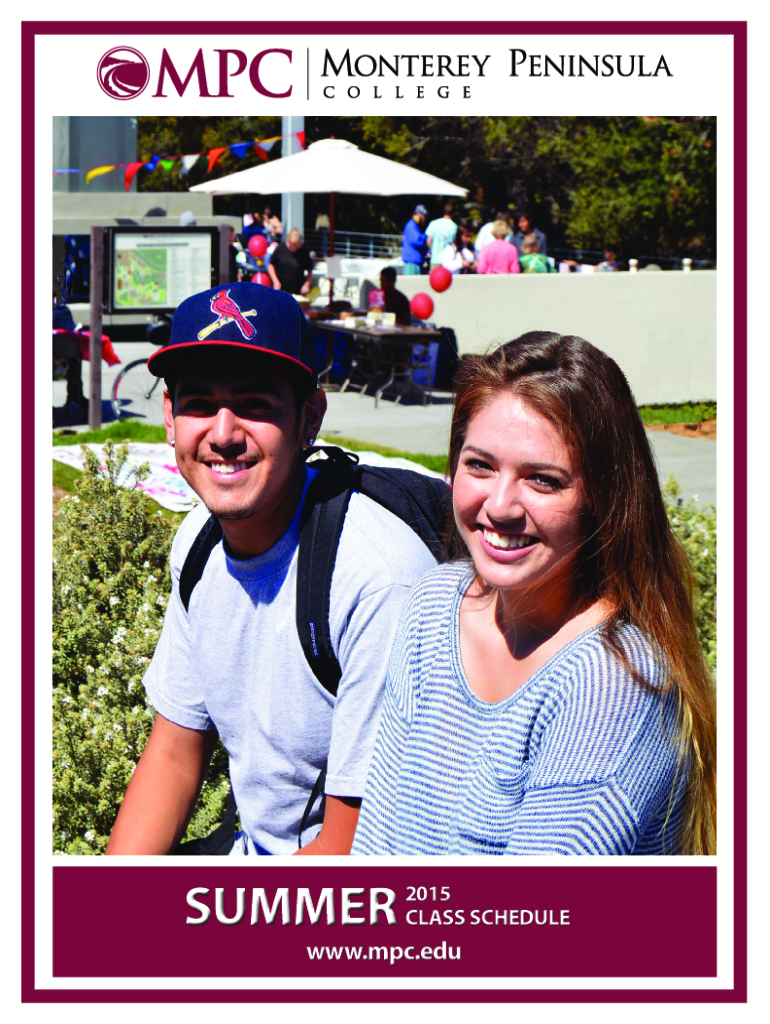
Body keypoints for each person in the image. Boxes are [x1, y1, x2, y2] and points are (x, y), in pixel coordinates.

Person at [352, 332, 716, 856]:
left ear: (603, 500)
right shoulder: (433, 605)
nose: (499, 506)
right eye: (480, 465)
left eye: (542, 480)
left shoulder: (611, 686)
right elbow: (375, 844)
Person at [105, 282, 437, 856]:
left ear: (310, 417)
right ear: (169, 417)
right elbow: (174, 753)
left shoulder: (375, 579)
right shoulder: (199, 541)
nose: (223, 433)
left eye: (256, 404)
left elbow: (353, 850)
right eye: (199, 403)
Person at [267, 228, 314, 295]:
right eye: (291, 244)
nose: (293, 247)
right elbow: (270, 265)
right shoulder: (280, 248)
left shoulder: (303, 251)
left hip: (297, 290)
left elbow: (310, 269)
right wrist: (275, 281)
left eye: (296, 245)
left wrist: (306, 284)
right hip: (280, 289)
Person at [426, 203, 457, 269]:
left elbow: (428, 241)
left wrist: (432, 251)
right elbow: (455, 244)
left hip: (434, 260)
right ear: (453, 213)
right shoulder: (454, 226)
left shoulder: (433, 223)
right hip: (448, 261)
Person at [401, 204, 429, 275]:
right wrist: (426, 235)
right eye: (424, 216)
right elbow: (417, 241)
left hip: (415, 262)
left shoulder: (415, 225)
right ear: (419, 214)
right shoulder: (412, 225)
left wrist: (426, 252)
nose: (425, 219)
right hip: (411, 263)